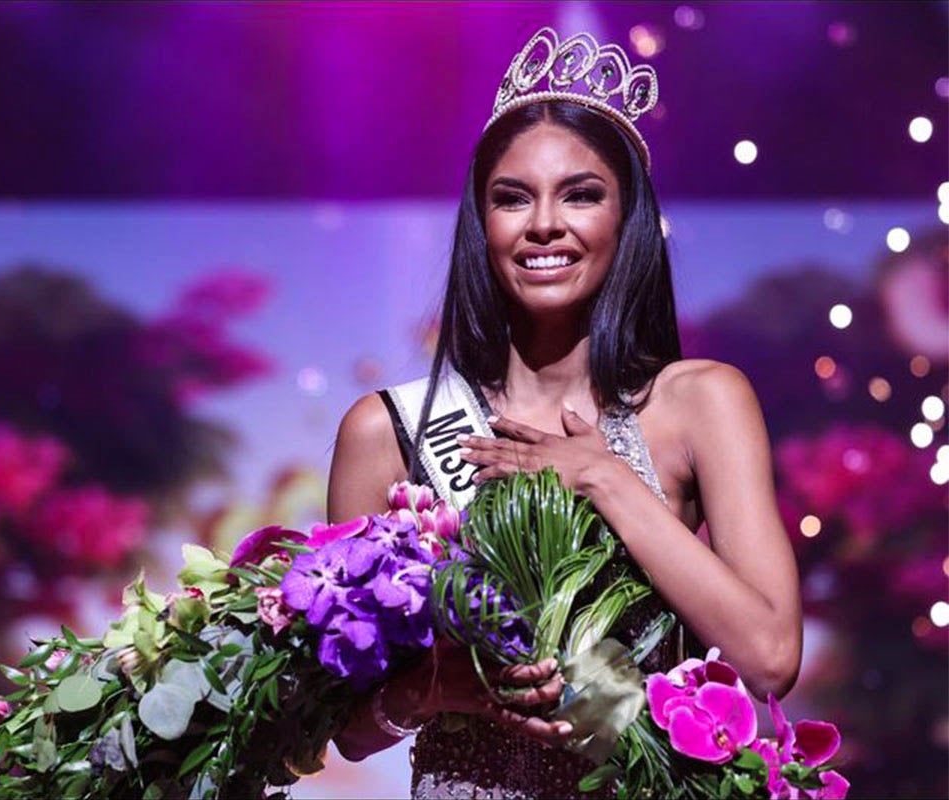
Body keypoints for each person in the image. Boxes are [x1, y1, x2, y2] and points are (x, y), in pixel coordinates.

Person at [325, 27, 803, 799]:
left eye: (580, 194)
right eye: (512, 198)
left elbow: (771, 655)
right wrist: (438, 687)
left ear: (627, 220)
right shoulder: (388, 432)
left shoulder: (699, 402)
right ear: (481, 226)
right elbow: (348, 725)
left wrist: (605, 480)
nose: (544, 224)